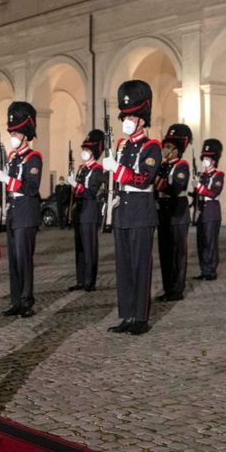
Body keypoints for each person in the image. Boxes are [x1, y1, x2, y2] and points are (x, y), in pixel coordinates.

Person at [102, 80, 162, 335]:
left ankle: (140, 317)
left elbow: (144, 178)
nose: (126, 120)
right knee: (124, 266)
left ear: (142, 120)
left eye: (131, 116)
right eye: (124, 115)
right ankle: (126, 315)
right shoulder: (122, 146)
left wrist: (118, 170)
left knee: (140, 264)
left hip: (140, 209)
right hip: (123, 210)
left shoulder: (152, 147)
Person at [0, 102, 42, 318]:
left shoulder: (34, 158)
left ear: (25, 134)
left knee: (24, 260)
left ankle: (26, 301)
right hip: (15, 213)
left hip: (26, 213)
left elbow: (31, 188)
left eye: (16, 132)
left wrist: (9, 180)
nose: (13, 135)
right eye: (12, 131)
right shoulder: (14, 158)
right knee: (14, 261)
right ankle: (16, 300)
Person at [155, 124, 192, 301]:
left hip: (177, 211)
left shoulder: (181, 165)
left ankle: (177, 289)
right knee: (165, 252)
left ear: (177, 150)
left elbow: (177, 187)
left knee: (178, 253)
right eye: (165, 146)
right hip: (163, 212)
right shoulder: (163, 166)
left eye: (170, 147)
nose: (166, 149)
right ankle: (167, 287)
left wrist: (160, 181)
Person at [67, 129, 104, 292]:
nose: (85, 152)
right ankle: (81, 279)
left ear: (94, 152)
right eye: (84, 149)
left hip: (89, 212)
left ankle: (90, 281)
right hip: (80, 212)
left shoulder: (97, 170)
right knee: (80, 249)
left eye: (88, 150)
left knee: (90, 249)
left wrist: (76, 185)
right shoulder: (82, 169)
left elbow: (91, 192)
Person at [193, 139, 224, 281]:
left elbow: (214, 192)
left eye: (207, 158)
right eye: (204, 158)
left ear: (213, 160)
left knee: (211, 242)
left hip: (211, 211)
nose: (205, 160)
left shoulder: (218, 175)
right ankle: (204, 269)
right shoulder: (202, 175)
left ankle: (211, 270)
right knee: (201, 242)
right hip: (202, 212)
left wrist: (199, 187)